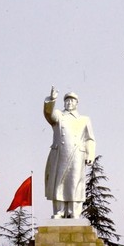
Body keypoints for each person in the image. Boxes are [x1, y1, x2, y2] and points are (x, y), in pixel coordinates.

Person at [43, 86, 96, 219]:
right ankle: (59, 211)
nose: (69, 103)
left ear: (77, 103)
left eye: (72, 101)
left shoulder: (84, 119)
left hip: (77, 154)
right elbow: (49, 114)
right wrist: (52, 99)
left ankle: (74, 212)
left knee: (75, 182)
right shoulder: (59, 116)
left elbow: (90, 138)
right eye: (67, 100)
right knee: (59, 183)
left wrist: (90, 154)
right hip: (60, 154)